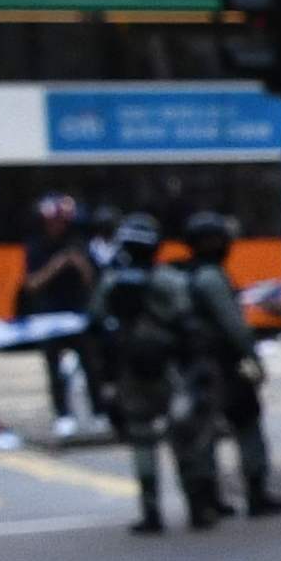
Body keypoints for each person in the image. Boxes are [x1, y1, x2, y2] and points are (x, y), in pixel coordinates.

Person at [87, 223, 190, 533]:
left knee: (142, 438)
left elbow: (94, 320)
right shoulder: (170, 280)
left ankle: (151, 512)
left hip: (131, 369)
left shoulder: (112, 282)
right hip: (171, 367)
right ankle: (199, 505)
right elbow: (186, 318)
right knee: (184, 437)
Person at [176, 227, 281, 518]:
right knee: (247, 423)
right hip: (222, 365)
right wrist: (253, 357)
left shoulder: (185, 276)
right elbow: (233, 324)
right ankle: (256, 492)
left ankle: (209, 497)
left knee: (205, 432)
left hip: (198, 365)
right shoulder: (211, 277)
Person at [21, 194, 100, 435]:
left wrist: (79, 263)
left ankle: (98, 413)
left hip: (78, 314)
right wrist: (56, 266)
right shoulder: (36, 246)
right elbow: (31, 284)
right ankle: (63, 415)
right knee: (53, 367)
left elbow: (92, 280)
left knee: (91, 365)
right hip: (49, 317)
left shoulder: (78, 243)